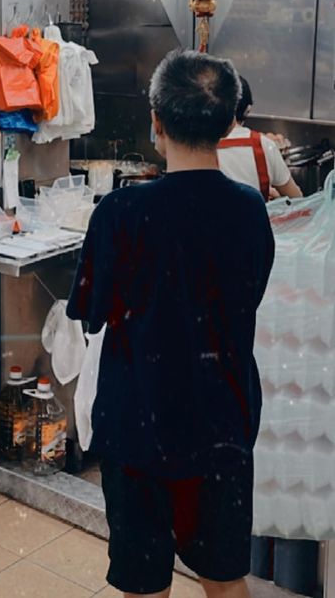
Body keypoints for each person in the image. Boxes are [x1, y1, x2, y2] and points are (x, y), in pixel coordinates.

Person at [67, 50, 274, 598]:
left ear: (155, 121)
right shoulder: (250, 209)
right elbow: (249, 293)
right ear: (230, 122)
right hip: (221, 421)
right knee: (225, 580)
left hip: (139, 424)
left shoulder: (120, 212)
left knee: (144, 583)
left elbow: (91, 310)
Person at [217, 76, 302, 200]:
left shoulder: (200, 144)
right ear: (248, 109)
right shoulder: (264, 145)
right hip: (254, 218)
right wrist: (278, 198)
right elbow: (297, 199)